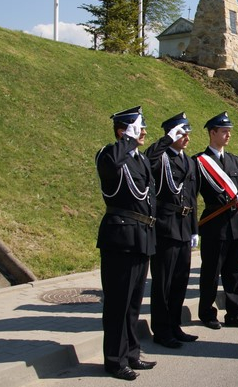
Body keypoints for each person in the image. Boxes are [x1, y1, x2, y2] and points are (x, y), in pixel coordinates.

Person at [95, 106, 157, 381]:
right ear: (123, 132)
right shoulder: (108, 154)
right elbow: (110, 167)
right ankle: (114, 360)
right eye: (137, 127)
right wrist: (127, 140)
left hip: (141, 236)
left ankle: (131, 352)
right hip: (120, 237)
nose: (143, 132)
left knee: (133, 302)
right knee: (117, 303)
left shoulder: (140, 159)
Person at [195, 112, 238, 330]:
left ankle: (234, 312)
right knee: (211, 273)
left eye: (229, 131)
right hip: (215, 224)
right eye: (224, 131)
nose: (228, 135)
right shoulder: (200, 162)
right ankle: (207, 313)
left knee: (234, 272)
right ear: (212, 133)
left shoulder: (233, 159)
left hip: (236, 223)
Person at [144, 112, 198, 349]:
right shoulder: (162, 158)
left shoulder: (189, 161)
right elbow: (148, 159)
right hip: (166, 227)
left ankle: (175, 325)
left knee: (179, 281)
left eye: (187, 133)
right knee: (163, 283)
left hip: (184, 227)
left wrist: (194, 229)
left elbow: (192, 197)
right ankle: (162, 330)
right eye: (181, 133)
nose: (186, 138)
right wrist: (166, 140)